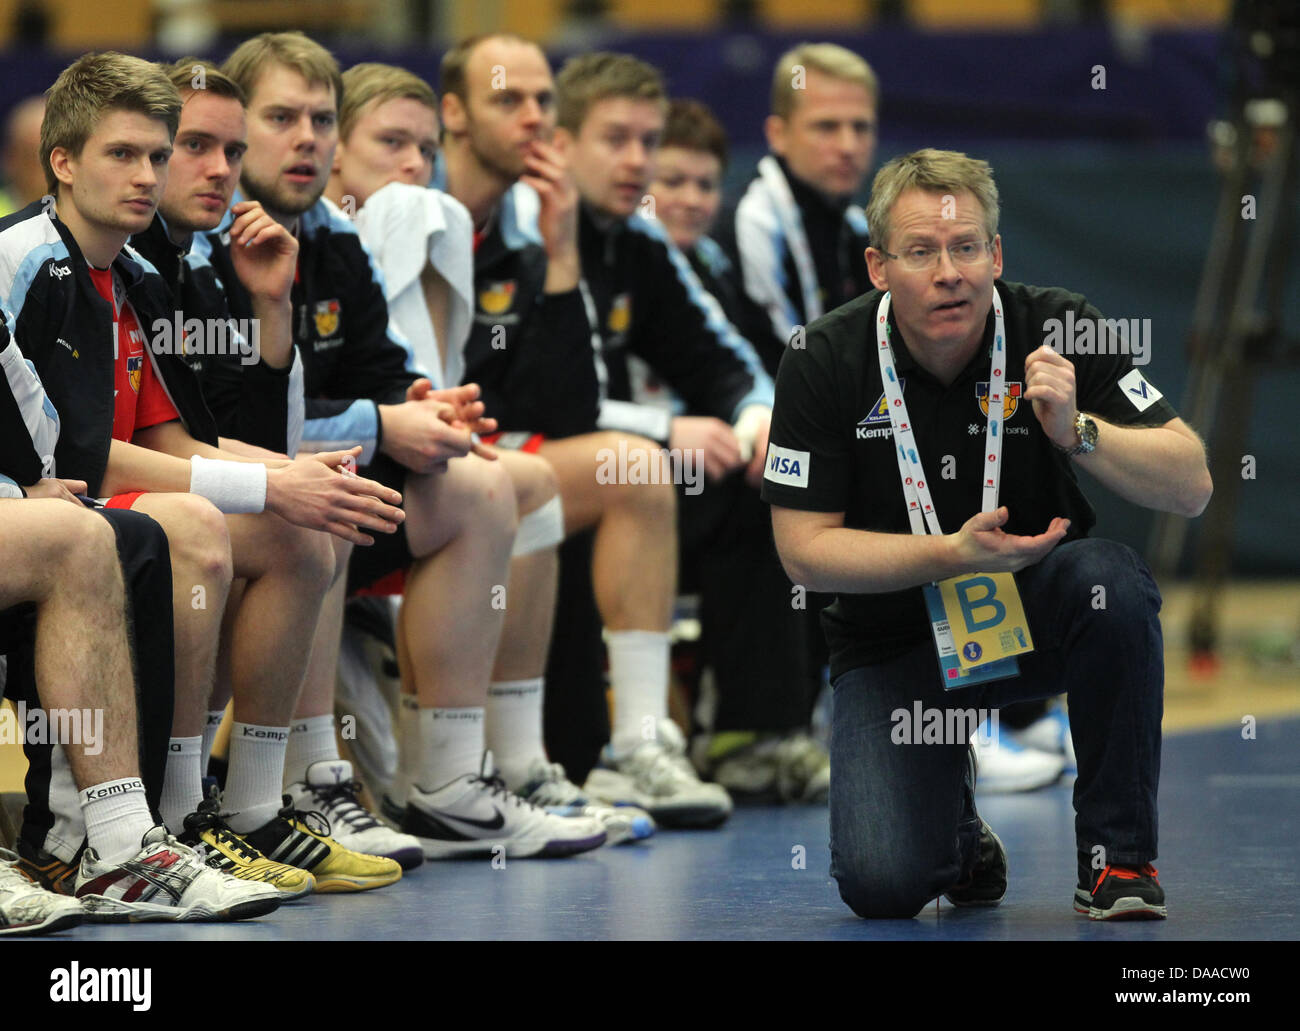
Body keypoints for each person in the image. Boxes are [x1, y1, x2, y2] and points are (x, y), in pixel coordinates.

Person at [762, 148, 1213, 921]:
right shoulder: (823, 359)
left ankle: (1118, 861)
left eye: (968, 247)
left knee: (1114, 585)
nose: (951, 272)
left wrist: (1080, 433)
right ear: (878, 266)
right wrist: (949, 554)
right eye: (922, 252)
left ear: (996, 254)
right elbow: (803, 549)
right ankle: (958, 836)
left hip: (1030, 612)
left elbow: (1194, 482)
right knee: (883, 883)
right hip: (891, 635)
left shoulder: (1058, 326)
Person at [0, 50, 406, 896]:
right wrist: (267, 481)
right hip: (40, 504)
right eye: (126, 154)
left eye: (157, 153)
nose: (149, 174)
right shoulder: (26, 261)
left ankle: (250, 809)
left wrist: (297, 479)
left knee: (303, 530)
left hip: (73, 499)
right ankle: (168, 815)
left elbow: (175, 437)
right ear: (63, 162)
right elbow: (82, 452)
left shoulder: (141, 278)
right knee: (197, 524)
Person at [208, 32, 606, 859]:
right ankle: (311, 781)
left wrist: (427, 405)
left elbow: (380, 373)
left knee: (483, 485)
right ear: (236, 131)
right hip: (228, 494)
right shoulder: (201, 241)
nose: (308, 137)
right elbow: (233, 426)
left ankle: (451, 782)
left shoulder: (331, 237)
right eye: (283, 117)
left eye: (322, 117)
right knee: (328, 489)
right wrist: (384, 423)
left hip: (308, 481)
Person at [326, 59, 653, 844]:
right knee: (502, 480)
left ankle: (516, 762)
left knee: (546, 474)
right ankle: (429, 775)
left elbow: (544, 402)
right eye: (390, 142)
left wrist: (434, 412)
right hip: (318, 480)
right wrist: (395, 420)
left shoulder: (497, 233)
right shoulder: (343, 235)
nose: (410, 164)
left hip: (427, 464)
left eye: (422, 148)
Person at [0, 333, 281, 924]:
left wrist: (28, 478)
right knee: (72, 538)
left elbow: (33, 416)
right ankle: (90, 840)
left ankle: (123, 840)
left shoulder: (139, 283)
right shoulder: (30, 256)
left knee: (111, 538)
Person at [646, 97, 830, 803]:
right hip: (623, 480)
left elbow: (747, 375)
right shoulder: (618, 262)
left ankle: (777, 728)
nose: (690, 199)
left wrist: (758, 432)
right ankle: (754, 734)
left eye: (703, 183)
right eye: (673, 181)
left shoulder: (715, 268)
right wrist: (665, 435)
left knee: (800, 486)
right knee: (763, 499)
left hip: (706, 479)